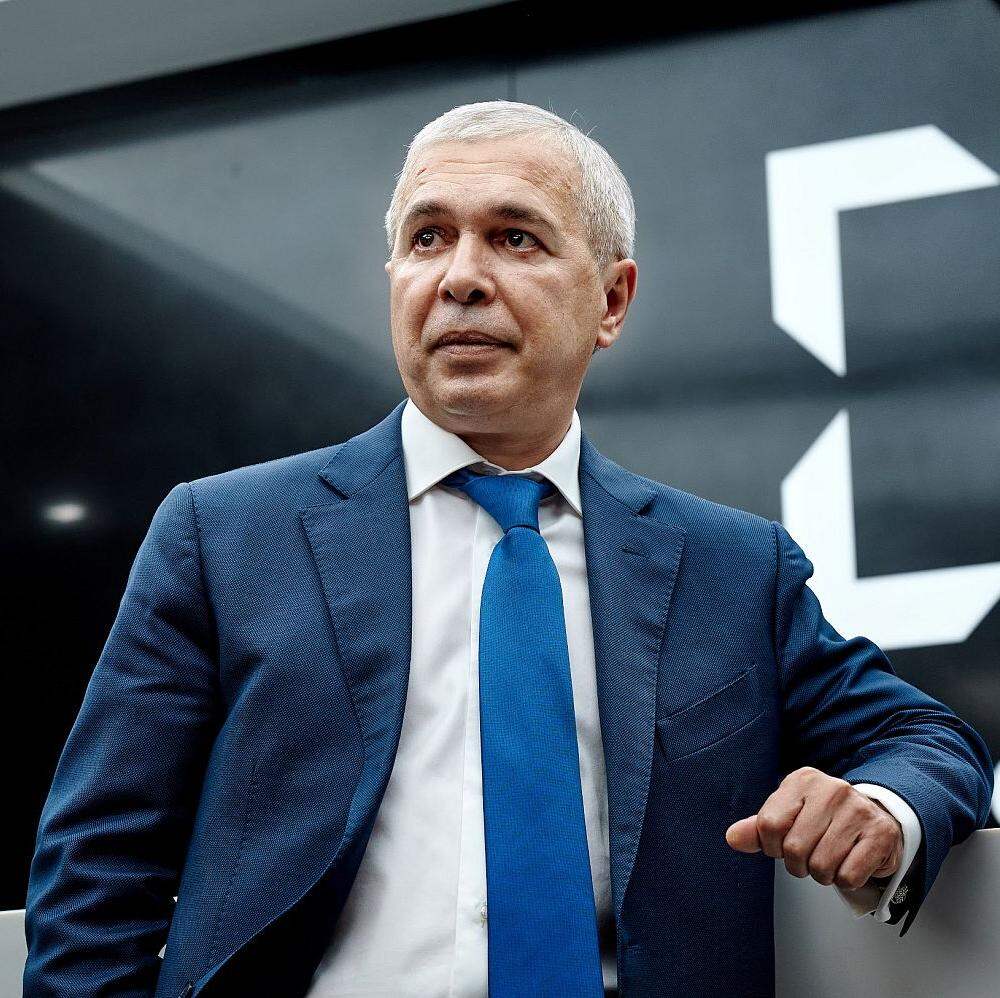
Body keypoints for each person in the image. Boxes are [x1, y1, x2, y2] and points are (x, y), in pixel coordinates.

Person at [22, 100, 993, 998]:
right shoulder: (224, 536)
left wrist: (883, 807)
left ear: (611, 300)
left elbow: (928, 740)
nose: (460, 277)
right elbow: (98, 873)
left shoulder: (732, 570)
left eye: (514, 237)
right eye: (427, 237)